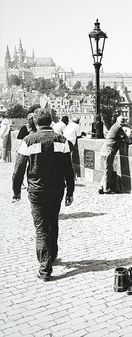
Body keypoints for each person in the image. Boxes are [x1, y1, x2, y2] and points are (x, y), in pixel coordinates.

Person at [12, 108, 75, 282]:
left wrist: (16, 191)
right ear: (50, 121)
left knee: (41, 228)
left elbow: (18, 170)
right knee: (52, 222)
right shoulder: (61, 140)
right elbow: (69, 170)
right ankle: (52, 255)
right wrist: (70, 191)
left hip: (37, 190)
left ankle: (45, 269)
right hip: (57, 190)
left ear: (36, 123)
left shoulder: (29, 140)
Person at [98, 116, 129, 194]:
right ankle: (106, 188)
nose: (123, 123)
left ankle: (101, 187)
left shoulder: (114, 126)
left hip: (104, 149)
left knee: (108, 169)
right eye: (122, 121)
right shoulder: (118, 127)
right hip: (109, 150)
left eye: (123, 121)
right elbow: (125, 138)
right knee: (108, 170)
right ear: (117, 121)